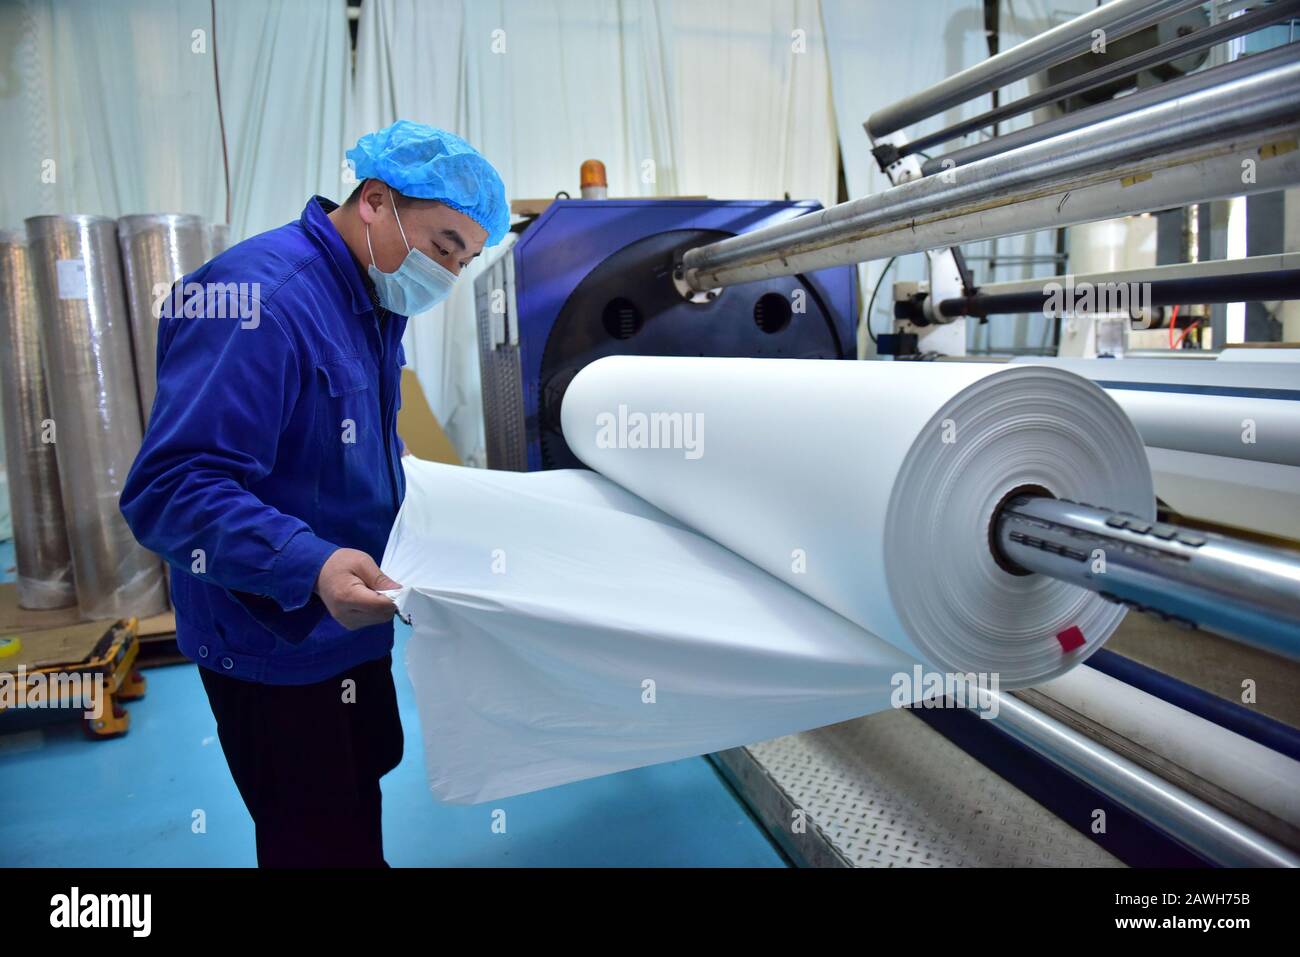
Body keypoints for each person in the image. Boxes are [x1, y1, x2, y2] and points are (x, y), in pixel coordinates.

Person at [121, 121, 510, 867]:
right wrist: (310, 566)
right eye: (443, 246)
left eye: (466, 259)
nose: (449, 275)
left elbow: (345, 440)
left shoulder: (371, 299)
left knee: (352, 802)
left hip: (348, 622)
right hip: (273, 636)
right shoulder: (258, 300)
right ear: (374, 201)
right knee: (313, 833)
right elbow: (170, 488)